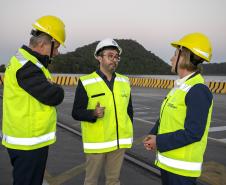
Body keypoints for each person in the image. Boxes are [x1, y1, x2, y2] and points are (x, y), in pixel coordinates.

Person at [2, 15, 66, 185]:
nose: (57, 52)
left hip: (29, 141)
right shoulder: (27, 67)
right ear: (43, 44)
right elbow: (53, 95)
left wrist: (53, 87)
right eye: (56, 47)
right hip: (27, 144)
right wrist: (57, 88)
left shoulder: (29, 63)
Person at [143, 32, 213, 185]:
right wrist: (153, 134)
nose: (171, 58)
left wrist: (159, 141)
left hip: (182, 172)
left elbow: (193, 133)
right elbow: (166, 117)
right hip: (169, 165)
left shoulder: (197, 90)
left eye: (175, 54)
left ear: (184, 57)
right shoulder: (180, 87)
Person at [72, 38, 133, 185]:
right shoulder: (86, 82)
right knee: (91, 181)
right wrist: (93, 113)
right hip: (97, 143)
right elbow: (76, 112)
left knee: (113, 181)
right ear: (99, 57)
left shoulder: (124, 81)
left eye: (116, 56)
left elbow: (129, 110)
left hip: (118, 143)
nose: (114, 60)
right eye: (110, 56)